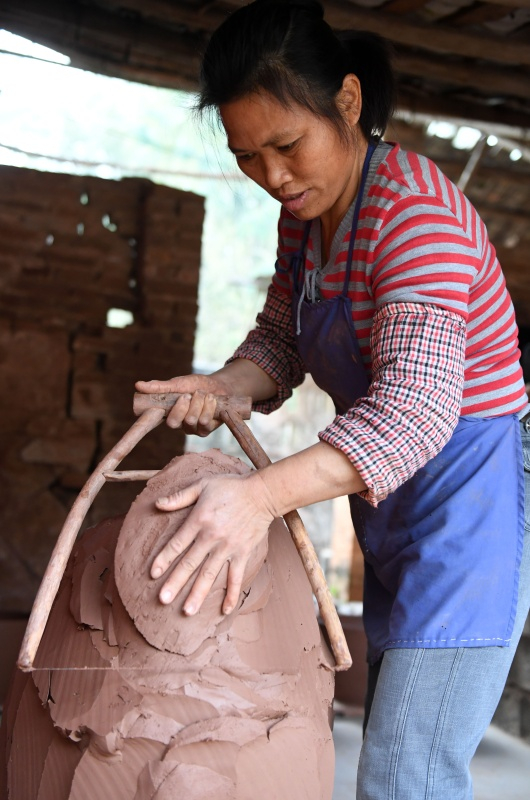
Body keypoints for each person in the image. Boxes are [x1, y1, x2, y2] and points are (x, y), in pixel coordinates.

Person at [136, 1, 530, 797]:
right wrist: (221, 388)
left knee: (403, 774)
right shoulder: (306, 219)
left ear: (346, 103)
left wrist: (257, 501)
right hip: (390, 506)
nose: (274, 177)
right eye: (249, 157)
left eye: (288, 145)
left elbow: (416, 414)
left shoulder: (417, 219)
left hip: (469, 507)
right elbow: (281, 343)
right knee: (394, 753)